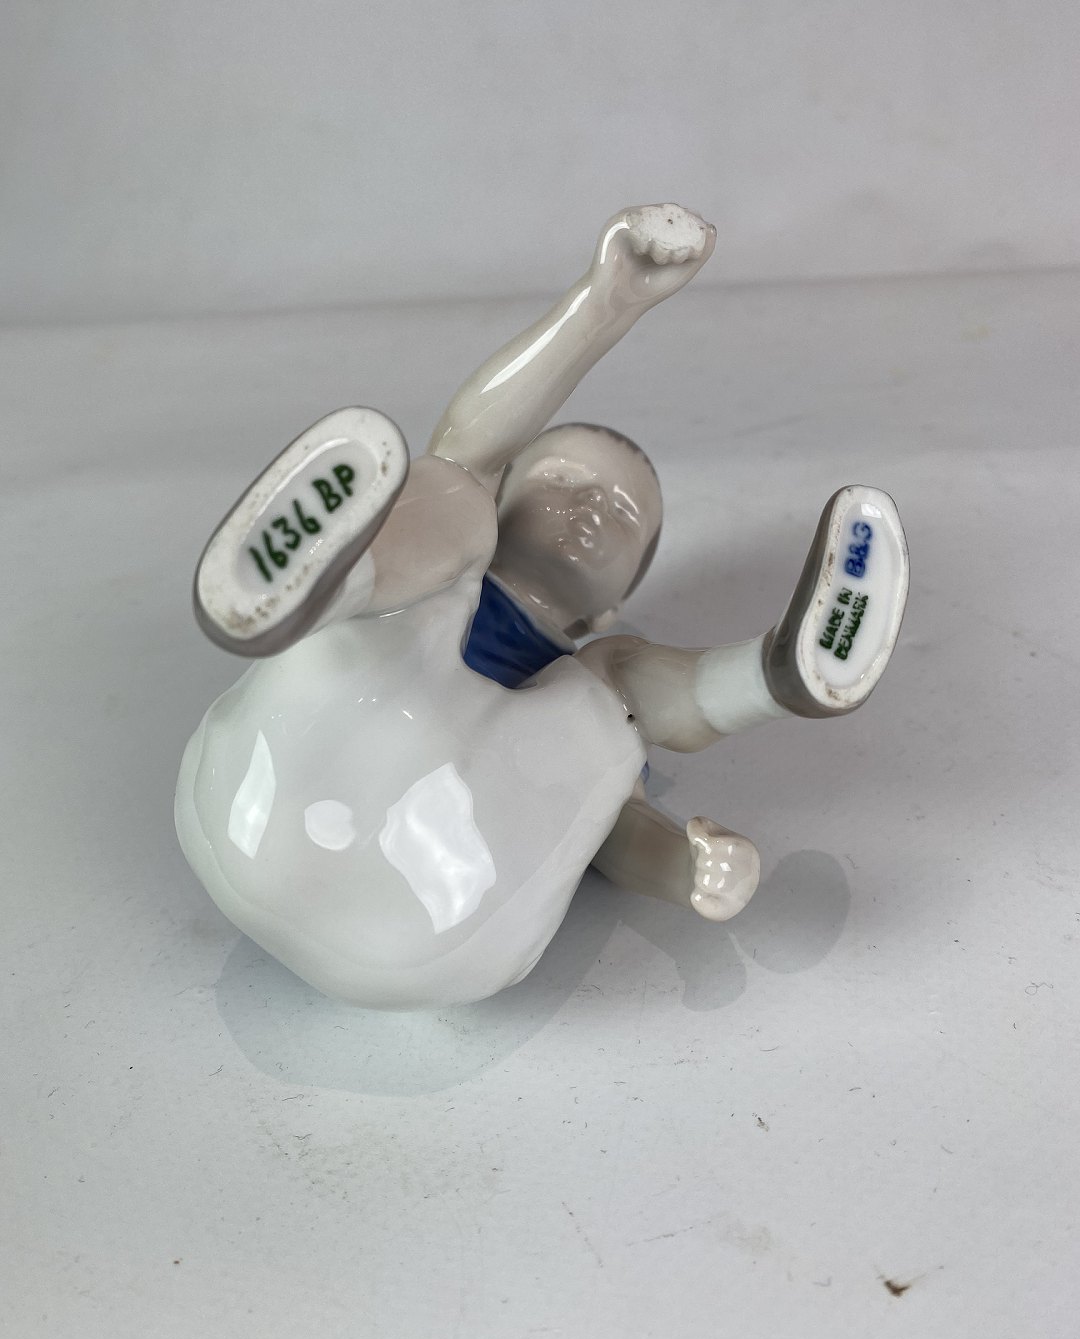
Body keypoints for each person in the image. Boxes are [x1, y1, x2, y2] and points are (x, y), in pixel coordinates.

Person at [179, 205, 908, 1009]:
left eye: (620, 516)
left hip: (427, 920)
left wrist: (688, 870)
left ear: (611, 604)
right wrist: (607, 298)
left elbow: (606, 835)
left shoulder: (590, 681)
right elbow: (473, 445)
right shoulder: (458, 552)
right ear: (513, 498)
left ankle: (782, 674)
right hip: (256, 790)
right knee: (453, 486)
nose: (588, 507)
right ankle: (333, 576)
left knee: (618, 695)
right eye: (561, 482)